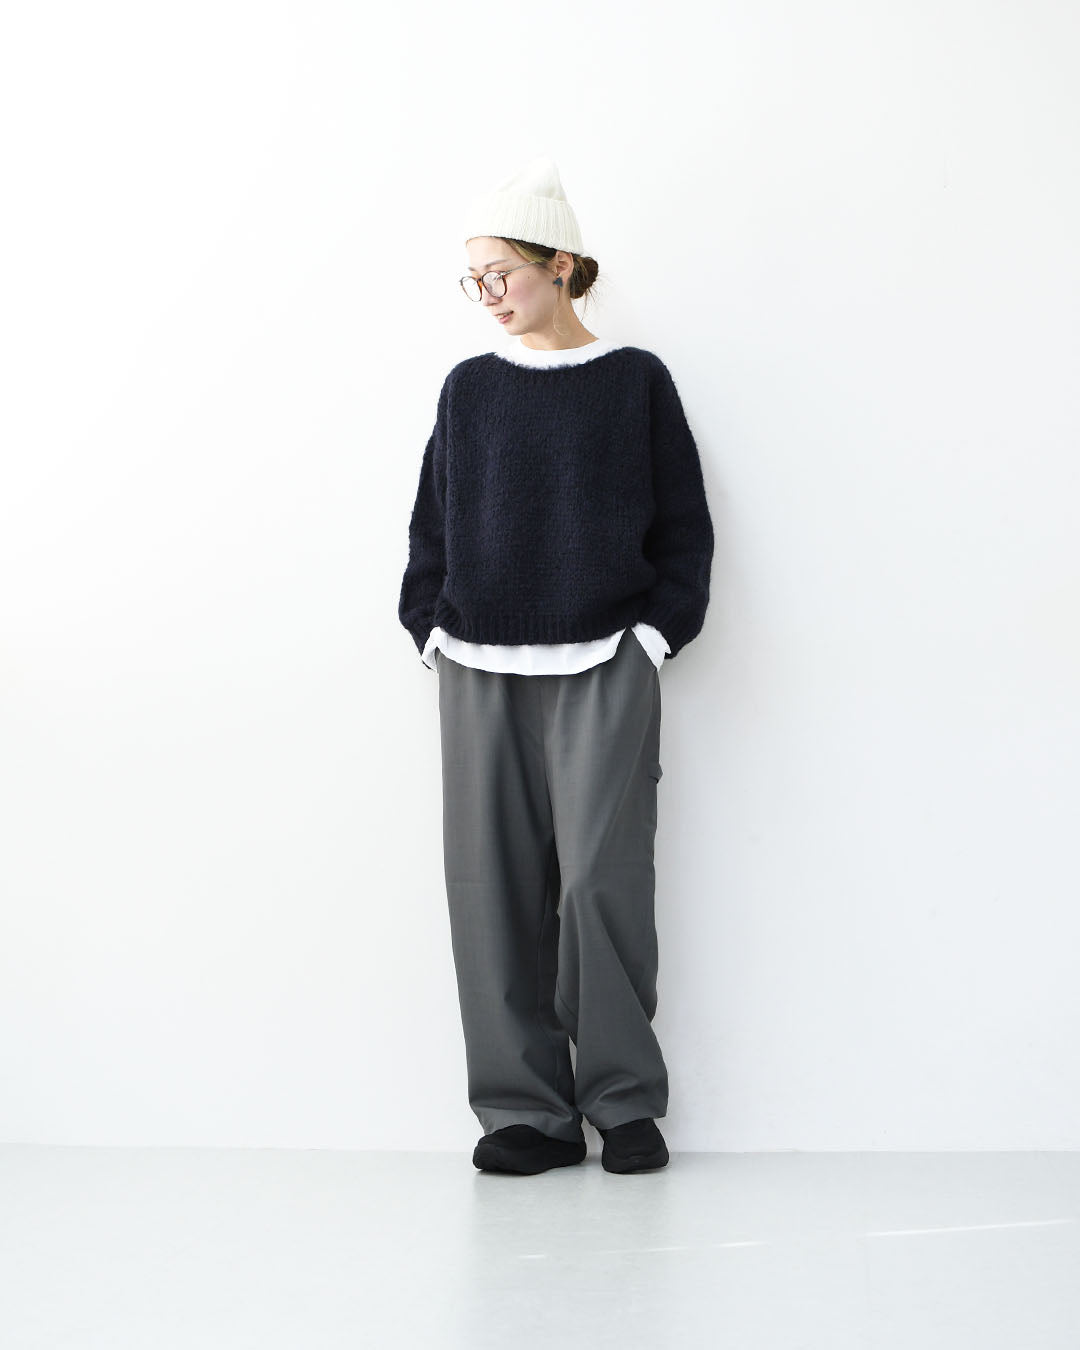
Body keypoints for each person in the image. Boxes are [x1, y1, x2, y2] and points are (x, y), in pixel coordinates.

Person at [398, 154, 714, 1176]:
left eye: (502, 273)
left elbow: (684, 530)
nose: (487, 295)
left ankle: (622, 1101)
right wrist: (429, 627)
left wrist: (655, 635)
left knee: (600, 884)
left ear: (562, 265)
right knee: (487, 888)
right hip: (477, 663)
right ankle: (524, 1114)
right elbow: (431, 527)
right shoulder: (471, 389)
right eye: (475, 279)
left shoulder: (634, 381)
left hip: (605, 659)